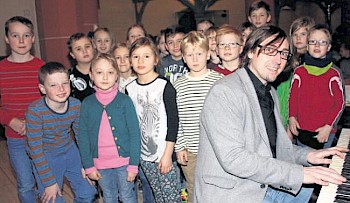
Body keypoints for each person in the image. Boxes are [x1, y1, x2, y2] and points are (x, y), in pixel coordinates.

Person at [193, 25, 348, 203]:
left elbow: (275, 148)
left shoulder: (270, 92)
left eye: (283, 54)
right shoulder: (225, 92)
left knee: (323, 188)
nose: (278, 60)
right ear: (250, 51)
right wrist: (299, 173)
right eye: (270, 50)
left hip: (261, 184)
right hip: (233, 192)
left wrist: (307, 156)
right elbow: (234, 159)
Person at [26, 62, 97, 203]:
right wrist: (49, 182)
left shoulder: (76, 105)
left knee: (88, 191)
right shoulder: (35, 111)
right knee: (53, 198)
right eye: (53, 85)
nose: (61, 89)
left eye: (65, 83)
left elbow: (81, 137)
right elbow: (35, 150)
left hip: (69, 151)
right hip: (46, 156)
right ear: (42, 89)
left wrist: (86, 164)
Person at [77, 54, 140, 203]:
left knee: (127, 196)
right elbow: (83, 137)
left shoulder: (125, 101)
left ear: (116, 75)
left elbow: (135, 134)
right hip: (100, 163)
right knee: (108, 196)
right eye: (99, 72)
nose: (105, 77)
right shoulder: (87, 103)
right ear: (91, 75)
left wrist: (133, 165)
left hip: (124, 161)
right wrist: (89, 166)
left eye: (110, 72)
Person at [126, 37, 181, 203]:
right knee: (159, 197)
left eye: (146, 56)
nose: (140, 61)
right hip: (145, 157)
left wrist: (167, 154)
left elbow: (173, 122)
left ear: (156, 59)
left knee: (171, 198)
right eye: (136, 57)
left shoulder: (165, 86)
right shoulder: (129, 89)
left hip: (164, 154)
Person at [0, 16, 45, 202]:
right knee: (26, 184)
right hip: (15, 138)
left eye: (26, 35)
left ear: (33, 38)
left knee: (46, 181)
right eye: (15, 35)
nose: (21, 40)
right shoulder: (1, 69)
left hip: (41, 136)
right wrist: (10, 120)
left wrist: (34, 121)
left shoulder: (42, 67)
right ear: (6, 39)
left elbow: (49, 101)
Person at [174, 31, 223, 203]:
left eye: (199, 54)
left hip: (215, 149)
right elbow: (175, 119)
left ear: (208, 54)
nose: (195, 59)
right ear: (184, 58)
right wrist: (179, 146)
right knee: (193, 188)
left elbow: (225, 116)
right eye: (190, 54)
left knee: (216, 188)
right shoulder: (178, 84)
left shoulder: (218, 80)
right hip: (190, 151)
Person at [289, 24, 345, 150]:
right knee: (304, 163)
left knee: (321, 165)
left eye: (322, 42)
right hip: (302, 129)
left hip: (324, 131)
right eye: (313, 42)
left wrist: (329, 126)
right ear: (307, 46)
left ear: (329, 47)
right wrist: (292, 117)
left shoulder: (334, 73)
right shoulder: (299, 72)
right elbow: (293, 97)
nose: (317, 45)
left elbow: (339, 103)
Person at [274, 16, 315, 134]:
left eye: (303, 34)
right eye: (295, 34)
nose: (298, 38)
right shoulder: (286, 57)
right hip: (283, 109)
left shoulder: (314, 61)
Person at [67, 32, 95, 101]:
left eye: (87, 46)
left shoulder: (104, 71)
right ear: (72, 54)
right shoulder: (68, 77)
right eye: (79, 49)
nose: (84, 51)